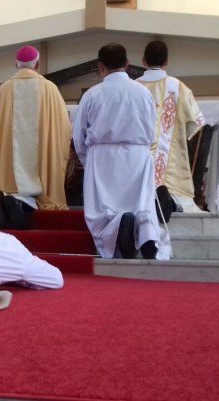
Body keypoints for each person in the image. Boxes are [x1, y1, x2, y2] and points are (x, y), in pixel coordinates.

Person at [72, 43, 170, 260]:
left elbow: (78, 135)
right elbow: (152, 131)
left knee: (103, 211)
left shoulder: (92, 94)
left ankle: (116, 229)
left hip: (102, 158)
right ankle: (145, 235)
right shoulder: (143, 93)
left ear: (100, 66)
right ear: (127, 64)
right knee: (140, 203)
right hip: (137, 156)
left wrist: (89, 162)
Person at [0, 45, 72, 230]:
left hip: (10, 171)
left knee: (10, 186)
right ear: (37, 64)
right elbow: (63, 125)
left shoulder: (5, 89)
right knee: (41, 195)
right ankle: (21, 202)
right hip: (41, 172)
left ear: (16, 64)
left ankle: (6, 194)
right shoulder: (49, 88)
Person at [136, 40, 206, 218]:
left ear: (144, 61)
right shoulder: (179, 87)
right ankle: (172, 203)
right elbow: (194, 124)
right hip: (172, 169)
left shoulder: (133, 87)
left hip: (137, 162)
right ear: (166, 62)